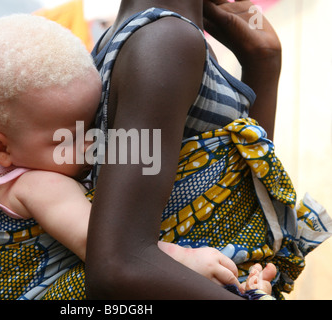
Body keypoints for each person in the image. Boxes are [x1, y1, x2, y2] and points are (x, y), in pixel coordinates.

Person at [0, 13, 275, 300]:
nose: (91, 143)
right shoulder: (38, 185)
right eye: (67, 138)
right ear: (0, 148)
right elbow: (99, 246)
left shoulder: (20, 167)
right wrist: (187, 261)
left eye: (93, 124)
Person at [84, 0, 331, 300]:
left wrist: (263, 62)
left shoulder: (132, 37)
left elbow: (239, 203)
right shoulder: (168, 41)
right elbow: (118, 263)